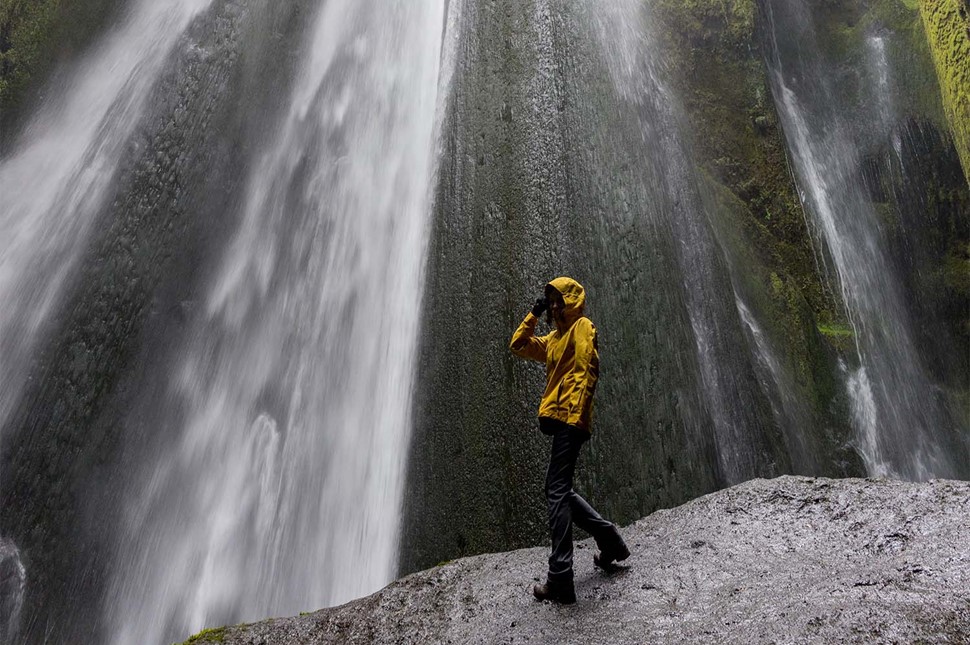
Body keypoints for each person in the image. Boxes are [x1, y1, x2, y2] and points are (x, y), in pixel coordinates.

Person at [509, 276, 630, 604]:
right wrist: (532, 315)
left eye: (558, 300)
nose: (553, 305)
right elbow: (518, 345)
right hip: (560, 416)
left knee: (556, 490)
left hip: (571, 417)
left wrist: (576, 410)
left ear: (571, 301)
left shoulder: (582, 327)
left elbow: (586, 366)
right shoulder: (552, 339)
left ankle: (561, 577)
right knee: (558, 488)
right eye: (550, 301)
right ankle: (612, 543)